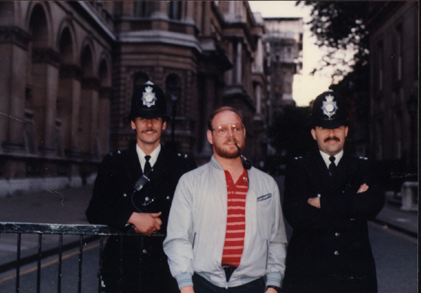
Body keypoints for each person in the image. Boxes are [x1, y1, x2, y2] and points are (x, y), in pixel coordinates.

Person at [86, 81, 196, 293]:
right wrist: (131, 217)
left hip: (166, 273)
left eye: (155, 118)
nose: (149, 124)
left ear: (164, 124)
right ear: (133, 123)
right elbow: (95, 210)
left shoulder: (182, 165)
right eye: (142, 118)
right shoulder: (114, 163)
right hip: (121, 272)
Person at [163, 106, 287, 293]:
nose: (231, 135)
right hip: (203, 285)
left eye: (236, 128)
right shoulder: (190, 182)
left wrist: (273, 286)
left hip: (252, 285)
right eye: (222, 130)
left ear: (244, 132)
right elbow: (178, 239)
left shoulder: (267, 184)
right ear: (210, 136)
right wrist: (186, 286)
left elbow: (276, 240)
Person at [282, 90, 385, 293]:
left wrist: (323, 203)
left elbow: (373, 204)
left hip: (353, 278)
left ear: (346, 130)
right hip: (308, 277)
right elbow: (298, 217)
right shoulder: (298, 168)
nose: (331, 134)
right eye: (324, 128)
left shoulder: (363, 167)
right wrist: (351, 208)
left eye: (337, 127)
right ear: (314, 133)